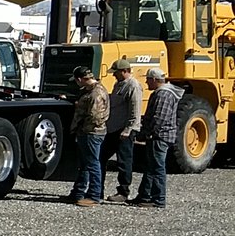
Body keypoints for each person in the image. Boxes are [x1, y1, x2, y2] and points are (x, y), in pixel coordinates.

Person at [132, 68, 182, 208]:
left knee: (157, 168)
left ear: (154, 79)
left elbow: (159, 118)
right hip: (158, 135)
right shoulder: (162, 93)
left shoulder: (164, 95)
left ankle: (158, 199)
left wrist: (147, 133)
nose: (146, 82)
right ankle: (144, 196)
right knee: (150, 166)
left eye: (148, 79)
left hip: (159, 136)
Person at [65, 65, 108, 207]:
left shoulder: (96, 94)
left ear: (80, 79)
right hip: (89, 132)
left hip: (91, 133)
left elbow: (95, 116)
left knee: (93, 164)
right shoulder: (90, 91)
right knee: (85, 164)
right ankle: (78, 192)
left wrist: (81, 128)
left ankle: (94, 195)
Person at [104, 59, 142, 202]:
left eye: (116, 72)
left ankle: (124, 192)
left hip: (125, 131)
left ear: (125, 71)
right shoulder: (118, 85)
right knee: (101, 157)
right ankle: (97, 188)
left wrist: (128, 129)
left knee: (124, 161)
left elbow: (135, 111)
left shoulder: (133, 86)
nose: (114, 75)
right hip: (113, 128)